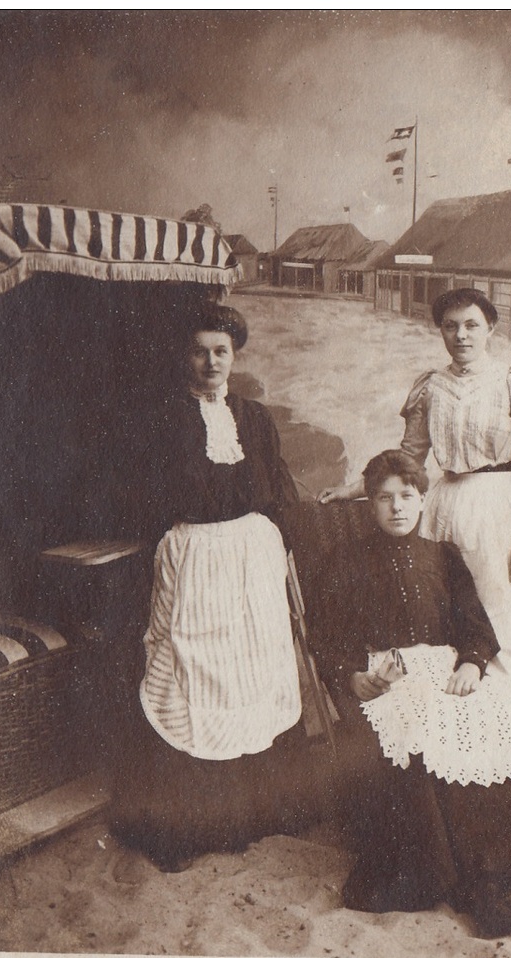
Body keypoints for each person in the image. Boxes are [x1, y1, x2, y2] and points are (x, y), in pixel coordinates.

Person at [310, 450, 511, 939]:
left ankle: (495, 872)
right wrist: (353, 678)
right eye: (384, 498)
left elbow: (474, 625)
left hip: (445, 668)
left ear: (421, 499)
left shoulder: (442, 555)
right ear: (369, 504)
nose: (396, 508)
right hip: (385, 677)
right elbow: (326, 639)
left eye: (406, 497)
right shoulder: (345, 562)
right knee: (426, 744)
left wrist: (473, 664)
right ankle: (475, 882)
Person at [111, 304, 303, 871]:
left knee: (254, 668)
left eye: (221, 350)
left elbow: (280, 490)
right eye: (200, 350)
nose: (211, 361)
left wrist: (287, 550)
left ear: (235, 355)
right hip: (194, 554)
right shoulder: (160, 419)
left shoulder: (256, 417)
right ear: (184, 357)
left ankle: (253, 814)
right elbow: (141, 495)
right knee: (193, 669)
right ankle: (188, 825)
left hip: (254, 555)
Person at [319, 287, 511, 733]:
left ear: (490, 329)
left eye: (471, 325)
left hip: (501, 511)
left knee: (505, 620)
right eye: (450, 326)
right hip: (445, 506)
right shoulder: (431, 387)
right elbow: (409, 458)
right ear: (441, 331)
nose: (461, 335)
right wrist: (354, 490)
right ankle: (455, 728)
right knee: (455, 614)